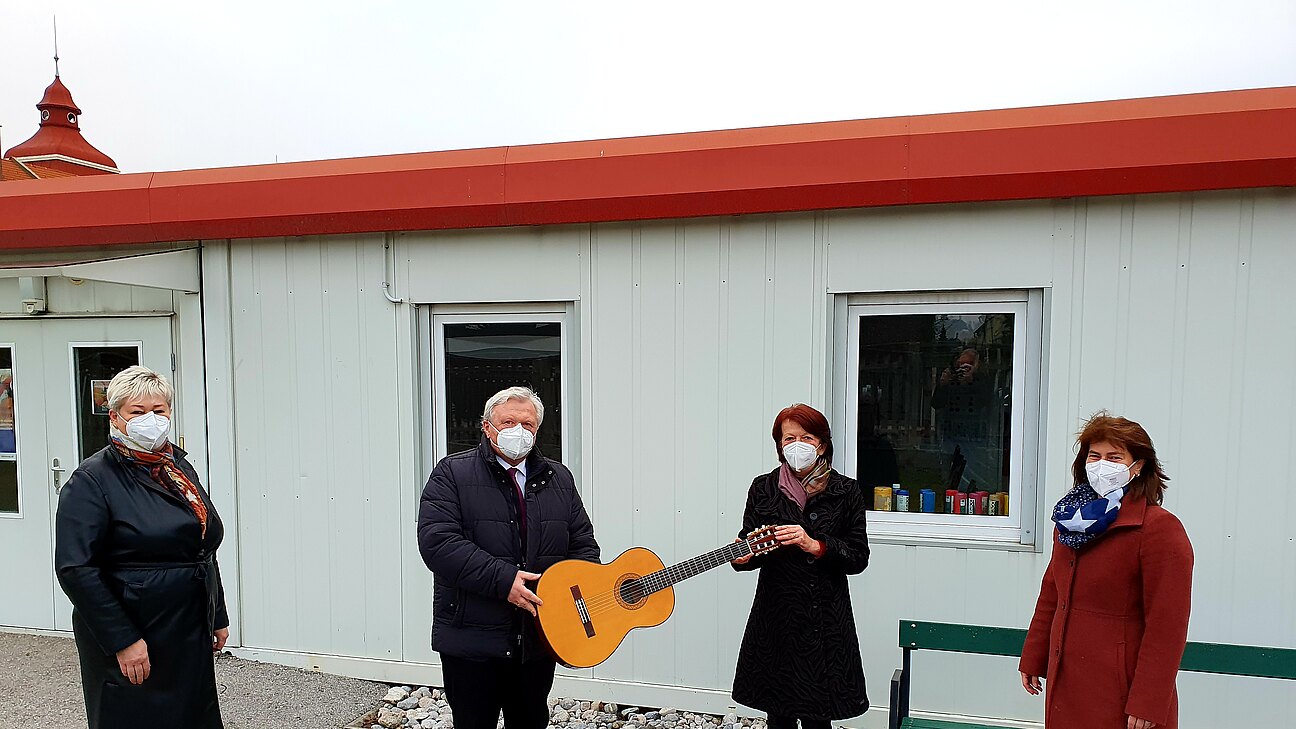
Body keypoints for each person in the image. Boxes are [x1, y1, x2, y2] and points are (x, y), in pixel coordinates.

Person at [55, 366, 229, 729]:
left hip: (186, 624)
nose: (151, 419)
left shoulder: (177, 468)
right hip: (136, 627)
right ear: (115, 417)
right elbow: (76, 568)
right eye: (137, 411)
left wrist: (217, 614)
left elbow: (200, 545)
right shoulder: (92, 480)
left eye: (159, 410)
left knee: (191, 717)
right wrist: (123, 639)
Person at [418, 386, 599, 729]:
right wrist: (504, 581)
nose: (518, 430)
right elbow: (438, 542)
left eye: (527, 424)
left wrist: (568, 593)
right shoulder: (453, 474)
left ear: (537, 431)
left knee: (530, 721)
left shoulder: (559, 478)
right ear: (487, 427)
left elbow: (584, 546)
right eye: (508, 422)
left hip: (538, 637)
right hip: (471, 639)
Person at [1020, 412, 1193, 729]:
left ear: (1137, 466)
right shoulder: (1071, 520)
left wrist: (1149, 700)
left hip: (1121, 692)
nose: (1102, 465)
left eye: (1115, 457)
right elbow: (1052, 592)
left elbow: (1167, 625)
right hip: (1068, 678)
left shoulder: (1159, 529)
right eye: (1095, 456)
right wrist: (1034, 654)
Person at [731, 404, 870, 729]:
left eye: (806, 437)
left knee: (817, 715)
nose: (797, 445)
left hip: (825, 618)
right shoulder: (762, 488)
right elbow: (748, 543)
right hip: (777, 616)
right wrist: (743, 557)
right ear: (779, 444)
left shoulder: (846, 491)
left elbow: (858, 556)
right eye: (788, 437)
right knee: (778, 713)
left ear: (822, 443)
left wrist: (816, 545)